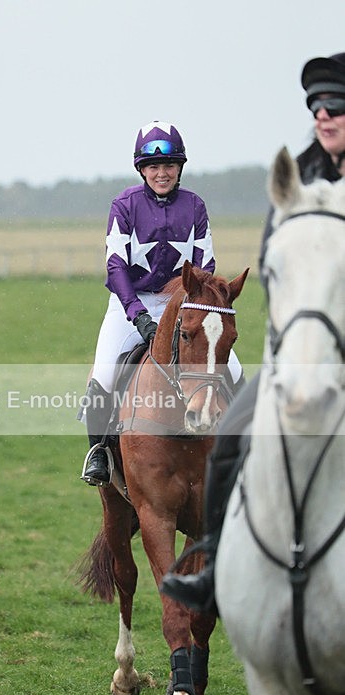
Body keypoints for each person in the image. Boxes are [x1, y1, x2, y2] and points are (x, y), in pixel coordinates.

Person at [161, 52, 345, 613]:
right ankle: (214, 565)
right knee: (233, 431)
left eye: (334, 106)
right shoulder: (299, 173)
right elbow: (272, 255)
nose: (322, 115)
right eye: (315, 106)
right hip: (304, 350)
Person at [81, 120, 243, 486]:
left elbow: (205, 266)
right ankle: (100, 454)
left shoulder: (195, 207)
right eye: (153, 166)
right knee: (103, 377)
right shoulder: (124, 205)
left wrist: (194, 306)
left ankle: (242, 451)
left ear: (180, 167)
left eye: (169, 165)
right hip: (129, 303)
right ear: (142, 169)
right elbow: (116, 266)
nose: (162, 173)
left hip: (184, 305)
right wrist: (137, 315)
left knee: (234, 372)